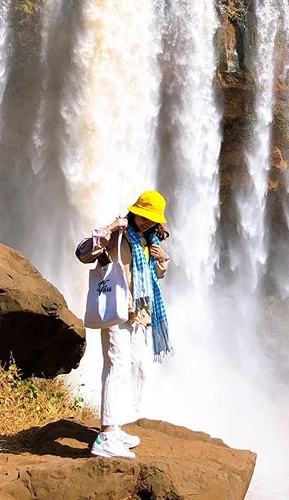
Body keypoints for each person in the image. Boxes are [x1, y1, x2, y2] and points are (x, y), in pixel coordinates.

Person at [75, 189, 174, 459]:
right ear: (135, 210)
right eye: (143, 215)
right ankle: (105, 435)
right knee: (116, 366)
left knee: (136, 367)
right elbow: (83, 253)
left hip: (140, 313)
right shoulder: (118, 234)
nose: (146, 221)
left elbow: (156, 275)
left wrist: (162, 260)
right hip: (117, 308)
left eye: (151, 218)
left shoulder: (148, 239)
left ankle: (116, 425)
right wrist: (109, 228)